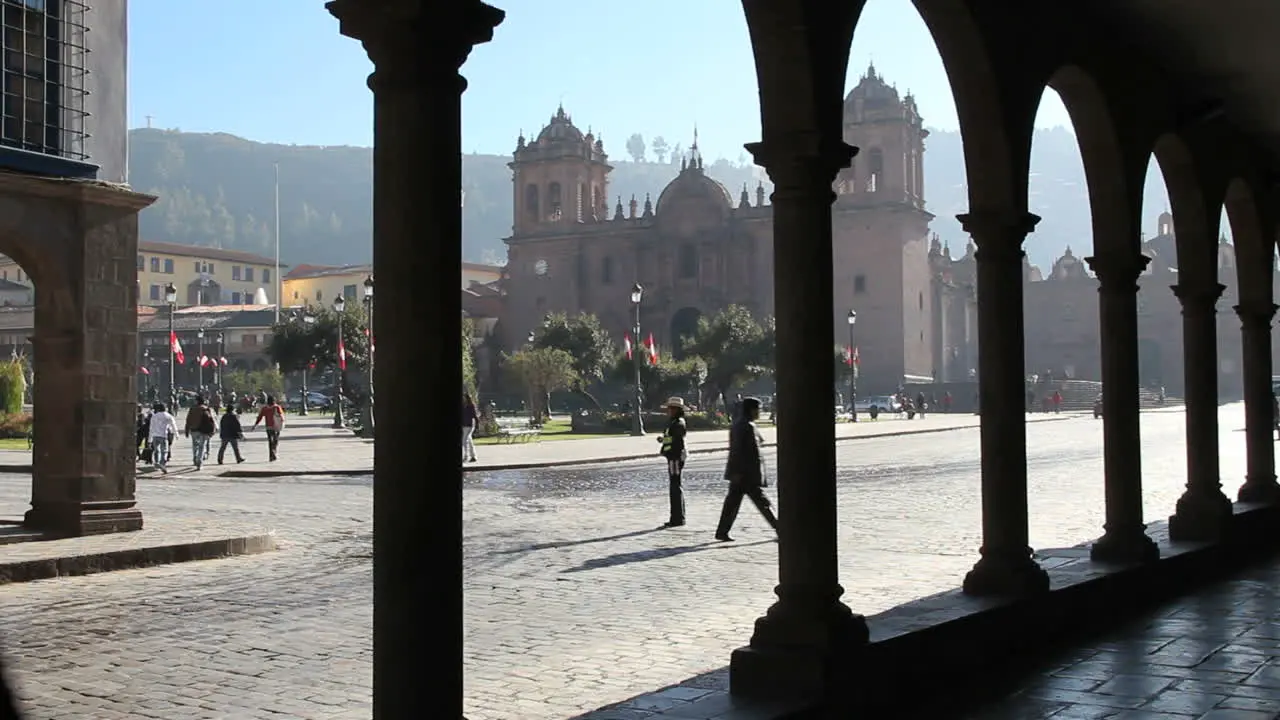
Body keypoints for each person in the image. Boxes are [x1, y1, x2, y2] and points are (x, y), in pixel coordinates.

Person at [714, 396, 778, 542]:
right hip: (746, 473)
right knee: (763, 503)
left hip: (741, 472)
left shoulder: (742, 424)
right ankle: (780, 528)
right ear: (751, 410)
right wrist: (738, 471)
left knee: (732, 503)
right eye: (758, 409)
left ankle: (722, 531)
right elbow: (739, 450)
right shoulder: (746, 426)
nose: (760, 412)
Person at [657, 396, 688, 528]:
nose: (668, 410)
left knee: (675, 486)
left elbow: (675, 440)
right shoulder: (673, 422)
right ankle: (676, 517)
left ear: (676, 409)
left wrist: (663, 441)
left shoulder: (678, 423)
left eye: (670, 408)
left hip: (675, 457)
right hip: (671, 456)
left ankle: (677, 518)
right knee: (674, 486)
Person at [183, 395, 216, 470]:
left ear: (197, 401)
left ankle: (195, 458)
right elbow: (211, 420)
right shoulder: (206, 409)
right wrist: (213, 430)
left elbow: (188, 420)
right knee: (201, 446)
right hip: (203, 430)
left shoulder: (192, 409)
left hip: (194, 430)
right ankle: (199, 462)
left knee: (195, 445)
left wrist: (187, 430)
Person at [253, 395, 285, 462]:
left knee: (270, 441)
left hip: (268, 427)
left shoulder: (265, 408)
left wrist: (255, 425)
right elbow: (282, 417)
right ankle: (274, 453)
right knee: (275, 441)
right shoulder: (277, 407)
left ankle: (271, 456)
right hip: (276, 427)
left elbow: (260, 417)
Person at [147, 402, 177, 473]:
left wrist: (149, 439)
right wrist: (176, 434)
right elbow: (173, 425)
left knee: (156, 450)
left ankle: (156, 462)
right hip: (163, 435)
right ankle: (162, 463)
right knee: (164, 450)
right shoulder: (168, 416)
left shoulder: (154, 416)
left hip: (155, 435)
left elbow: (151, 428)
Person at [462, 393, 479, 463]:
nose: (463, 399)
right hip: (464, 425)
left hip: (469, 425)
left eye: (464, 397)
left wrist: (477, 426)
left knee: (464, 441)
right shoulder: (463, 405)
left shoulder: (471, 406)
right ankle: (473, 456)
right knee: (469, 440)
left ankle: (466, 456)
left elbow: (474, 416)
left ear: (467, 398)